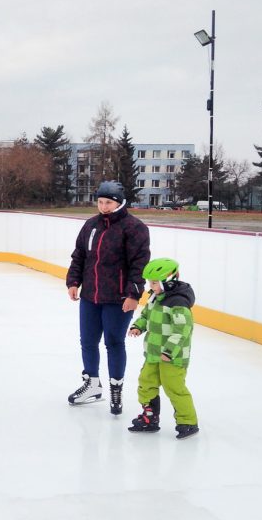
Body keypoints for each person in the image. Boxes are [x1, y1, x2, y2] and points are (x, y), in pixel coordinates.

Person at [65, 181, 150, 414]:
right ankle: (92, 384)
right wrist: (73, 281)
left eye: (108, 203)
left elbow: (139, 265)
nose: (103, 207)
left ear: (120, 202)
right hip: (90, 296)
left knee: (114, 343)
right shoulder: (90, 225)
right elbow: (79, 256)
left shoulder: (134, 228)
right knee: (88, 342)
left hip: (119, 298)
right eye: (100, 202)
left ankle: (115, 389)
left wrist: (134, 294)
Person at [127, 257, 199, 439]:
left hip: (173, 357)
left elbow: (182, 331)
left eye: (155, 282)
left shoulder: (178, 303)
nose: (151, 286)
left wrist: (169, 351)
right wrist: (138, 326)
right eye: (150, 282)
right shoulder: (154, 297)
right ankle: (150, 418)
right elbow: (146, 315)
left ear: (169, 281)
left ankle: (188, 421)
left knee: (173, 387)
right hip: (153, 353)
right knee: (146, 383)